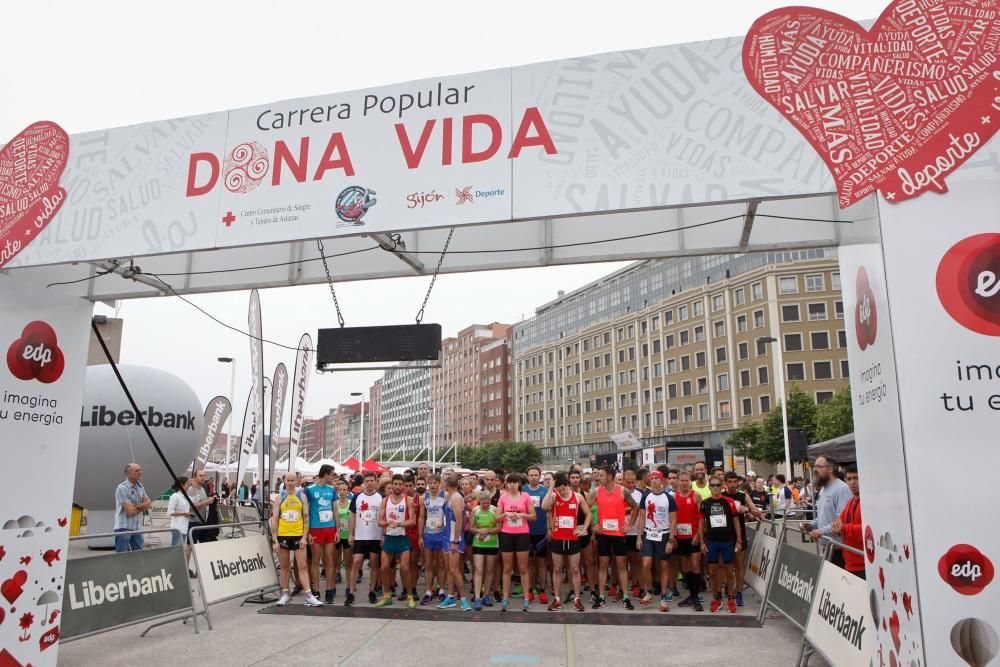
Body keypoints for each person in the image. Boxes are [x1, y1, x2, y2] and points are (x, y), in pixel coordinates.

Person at [272, 472, 323, 607]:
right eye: (287, 480)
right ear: (284, 481)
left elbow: (306, 518)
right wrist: (275, 540)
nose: (290, 482)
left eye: (292, 480)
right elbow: (275, 519)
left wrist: (304, 537)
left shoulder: (302, 496)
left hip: (298, 536)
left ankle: (308, 595)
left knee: (303, 566)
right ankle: (285, 594)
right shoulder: (280, 497)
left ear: (297, 481)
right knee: (284, 567)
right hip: (283, 536)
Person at [592, 465, 639, 610]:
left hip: (619, 534)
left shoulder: (622, 490)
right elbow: (585, 507)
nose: (599, 477)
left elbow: (635, 506)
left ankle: (625, 597)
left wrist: (629, 525)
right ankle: (601, 597)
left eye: (601, 475)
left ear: (610, 476)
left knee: (621, 566)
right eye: (598, 475)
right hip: (603, 534)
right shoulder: (596, 491)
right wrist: (593, 524)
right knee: (603, 565)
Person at [543, 472, 591, 612]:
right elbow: (545, 507)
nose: (562, 492)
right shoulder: (553, 495)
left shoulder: (578, 497)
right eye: (559, 490)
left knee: (575, 569)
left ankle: (577, 599)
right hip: (558, 538)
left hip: (573, 538)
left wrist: (584, 529)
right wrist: (551, 488)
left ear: (568, 486)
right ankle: (557, 599)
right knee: (557, 568)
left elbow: (588, 514)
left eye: (563, 489)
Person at [699, 475, 741, 613]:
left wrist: (739, 540)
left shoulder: (729, 501)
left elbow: (736, 522)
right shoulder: (705, 503)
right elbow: (701, 524)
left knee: (729, 571)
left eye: (718, 485)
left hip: (728, 541)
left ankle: (731, 598)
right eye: (713, 485)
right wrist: (701, 542)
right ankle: (716, 598)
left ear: (722, 485)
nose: (716, 488)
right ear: (709, 487)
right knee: (712, 571)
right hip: (711, 541)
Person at [636, 470, 677, 611]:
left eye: (656, 478)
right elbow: (642, 518)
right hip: (648, 534)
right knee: (646, 564)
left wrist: (671, 540)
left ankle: (664, 597)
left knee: (664, 566)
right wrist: (638, 537)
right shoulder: (646, 497)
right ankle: (649, 591)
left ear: (661, 480)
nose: (653, 480)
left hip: (664, 535)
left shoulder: (669, 498)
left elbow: (673, 520)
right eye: (651, 478)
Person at [802, 456, 853, 568]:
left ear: (830, 469)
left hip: (840, 549)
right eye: (814, 467)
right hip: (828, 547)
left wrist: (821, 531)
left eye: (818, 467)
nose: (815, 470)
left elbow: (842, 520)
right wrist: (812, 525)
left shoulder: (842, 489)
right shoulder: (824, 489)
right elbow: (823, 515)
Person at [375, 475, 417, 608]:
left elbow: (413, 521)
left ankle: (410, 595)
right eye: (396, 484)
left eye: (400, 484)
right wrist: (388, 523)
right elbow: (379, 521)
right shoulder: (385, 501)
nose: (398, 486)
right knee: (384, 567)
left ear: (403, 485)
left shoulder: (408, 500)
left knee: (405, 568)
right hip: (389, 538)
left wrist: (399, 524)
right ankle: (387, 595)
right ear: (391, 485)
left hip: (403, 538)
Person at [497, 472, 536, 611]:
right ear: (506, 484)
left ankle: (526, 598)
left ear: (519, 484)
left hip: (522, 535)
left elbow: (533, 516)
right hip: (507, 534)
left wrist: (521, 515)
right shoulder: (503, 498)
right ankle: (505, 599)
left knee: (523, 568)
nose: (512, 485)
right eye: (510, 482)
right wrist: (505, 514)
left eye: (515, 482)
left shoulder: (525, 497)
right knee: (507, 569)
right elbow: (497, 518)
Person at [722, 471, 762, 606]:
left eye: (735, 482)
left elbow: (757, 513)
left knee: (739, 565)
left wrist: (748, 510)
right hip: (725, 535)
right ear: (725, 483)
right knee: (727, 566)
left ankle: (738, 593)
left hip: (739, 535)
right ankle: (729, 591)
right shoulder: (721, 496)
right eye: (730, 482)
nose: (733, 484)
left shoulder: (743, 495)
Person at [346, 471, 383, 606]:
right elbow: (352, 515)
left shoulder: (380, 498)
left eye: (371, 481)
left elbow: (384, 516)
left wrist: (383, 535)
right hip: (360, 536)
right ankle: (350, 593)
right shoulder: (357, 497)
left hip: (375, 536)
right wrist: (351, 533)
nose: (369, 483)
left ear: (375, 482)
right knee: (356, 562)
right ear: (364, 483)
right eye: (366, 481)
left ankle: (372, 591)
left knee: (374, 563)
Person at [303, 464, 338, 603]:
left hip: (329, 528)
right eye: (332, 475)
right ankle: (316, 590)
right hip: (315, 529)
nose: (333, 477)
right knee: (316, 561)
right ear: (326, 474)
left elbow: (335, 510)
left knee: (330, 560)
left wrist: (338, 530)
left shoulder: (331, 489)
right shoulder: (310, 489)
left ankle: (329, 590)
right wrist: (308, 532)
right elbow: (306, 512)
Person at [438, 476, 470, 610]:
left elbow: (459, 521)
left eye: (442, 482)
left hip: (453, 538)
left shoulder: (456, 498)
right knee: (449, 569)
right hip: (446, 536)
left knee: (455, 570)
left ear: (446, 483)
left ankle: (463, 599)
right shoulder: (450, 497)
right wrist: (442, 523)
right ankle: (450, 597)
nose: (441, 484)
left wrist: (456, 541)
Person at [674, 471, 704, 610]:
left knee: (695, 565)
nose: (684, 483)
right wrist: (673, 536)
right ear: (678, 482)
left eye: (687, 480)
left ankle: (696, 597)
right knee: (685, 567)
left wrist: (698, 535)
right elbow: (672, 518)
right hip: (680, 537)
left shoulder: (696, 496)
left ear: (690, 482)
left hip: (693, 537)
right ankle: (692, 596)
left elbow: (700, 518)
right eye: (682, 480)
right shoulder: (674, 497)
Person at [419, 474, 448, 605]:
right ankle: (428, 591)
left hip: (441, 534)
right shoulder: (423, 497)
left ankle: (441, 590)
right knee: (429, 564)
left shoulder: (445, 496)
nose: (432, 485)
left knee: (441, 564)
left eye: (434, 483)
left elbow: (449, 514)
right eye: (430, 483)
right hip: (428, 534)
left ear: (439, 483)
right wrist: (420, 535)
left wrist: (446, 527)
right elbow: (421, 517)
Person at [831, 465, 865, 579]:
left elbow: (866, 530)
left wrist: (843, 528)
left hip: (864, 566)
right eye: (849, 479)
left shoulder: (867, 502)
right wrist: (836, 526)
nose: (852, 482)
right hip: (850, 564)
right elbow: (839, 520)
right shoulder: (851, 502)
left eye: (856, 478)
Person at [470, 490, 501, 610]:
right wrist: (479, 531)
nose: (486, 505)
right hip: (478, 543)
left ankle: (487, 595)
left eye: (488, 503)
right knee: (478, 569)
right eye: (483, 503)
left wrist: (487, 531)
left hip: (492, 543)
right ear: (480, 502)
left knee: (490, 570)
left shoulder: (495, 510)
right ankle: (477, 597)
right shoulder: (475, 510)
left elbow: (499, 527)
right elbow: (471, 528)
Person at [524, 466, 550, 604]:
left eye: (536, 475)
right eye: (531, 475)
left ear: (539, 476)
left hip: (542, 532)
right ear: (527, 476)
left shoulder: (545, 491)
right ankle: (529, 590)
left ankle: (542, 590)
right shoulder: (523, 491)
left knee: (541, 563)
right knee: (529, 563)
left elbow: (550, 512)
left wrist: (549, 529)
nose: (533, 477)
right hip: (526, 532)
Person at [114, 463, 152, 552]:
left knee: (138, 555)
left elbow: (149, 504)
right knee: (122, 556)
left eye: (140, 470)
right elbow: (130, 511)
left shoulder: (140, 486)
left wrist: (137, 506)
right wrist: (142, 506)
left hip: (137, 528)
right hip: (124, 528)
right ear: (128, 474)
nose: (140, 472)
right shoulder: (122, 488)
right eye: (136, 471)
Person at [623, 469, 646, 598]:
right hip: (622, 532)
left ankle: (640, 587)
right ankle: (623, 589)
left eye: (633, 482)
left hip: (637, 532)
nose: (630, 485)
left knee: (638, 562)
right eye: (628, 482)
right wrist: (628, 509)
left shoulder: (641, 493)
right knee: (622, 562)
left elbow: (643, 512)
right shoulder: (619, 492)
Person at [167, 476, 195, 575]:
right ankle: (171, 570)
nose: (189, 486)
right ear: (182, 485)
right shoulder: (175, 496)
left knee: (181, 549)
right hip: (177, 527)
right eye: (188, 484)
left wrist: (194, 487)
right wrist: (184, 514)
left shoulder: (186, 496)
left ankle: (176, 570)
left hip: (184, 527)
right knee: (175, 549)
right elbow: (170, 512)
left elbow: (195, 501)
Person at [187, 470, 218, 547]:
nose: (203, 477)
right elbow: (189, 507)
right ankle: (186, 559)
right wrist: (206, 502)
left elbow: (200, 500)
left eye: (204, 475)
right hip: (193, 522)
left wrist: (209, 499)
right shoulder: (190, 490)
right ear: (195, 478)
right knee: (190, 547)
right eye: (200, 476)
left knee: (203, 546)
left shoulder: (202, 489)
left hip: (202, 521)